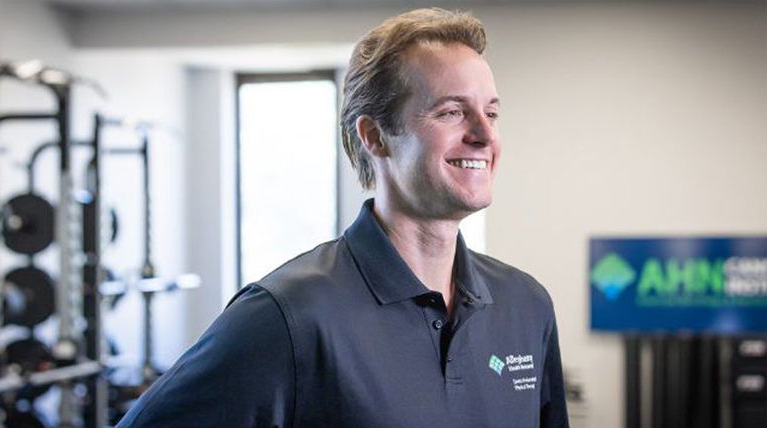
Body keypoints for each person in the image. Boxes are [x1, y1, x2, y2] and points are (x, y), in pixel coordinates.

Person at [117, 8, 568, 428]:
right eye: (451, 112)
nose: (485, 135)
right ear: (374, 136)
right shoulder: (285, 317)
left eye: (491, 113)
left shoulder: (525, 305)